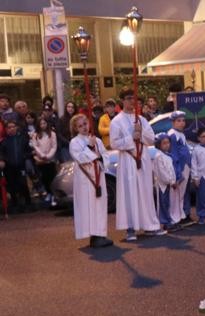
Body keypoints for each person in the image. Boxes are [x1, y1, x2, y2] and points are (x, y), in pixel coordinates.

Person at [110, 89, 162, 241]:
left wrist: (141, 133)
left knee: (145, 192)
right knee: (129, 192)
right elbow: (114, 143)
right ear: (122, 101)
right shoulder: (116, 121)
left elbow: (151, 139)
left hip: (143, 158)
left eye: (134, 98)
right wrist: (131, 137)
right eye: (128, 98)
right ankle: (130, 227)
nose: (131, 101)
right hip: (128, 159)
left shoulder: (142, 119)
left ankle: (150, 225)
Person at [68, 114, 113, 248]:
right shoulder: (75, 142)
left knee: (99, 204)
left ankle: (100, 233)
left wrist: (99, 157)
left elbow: (105, 156)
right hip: (85, 178)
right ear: (76, 128)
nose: (84, 128)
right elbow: (80, 157)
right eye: (80, 126)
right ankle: (94, 234)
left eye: (85, 124)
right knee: (89, 205)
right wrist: (89, 148)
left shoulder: (97, 140)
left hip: (98, 175)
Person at [165, 111, 193, 226]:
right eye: (178, 121)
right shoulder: (172, 135)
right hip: (180, 167)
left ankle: (183, 215)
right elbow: (174, 155)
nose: (182, 123)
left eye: (183, 120)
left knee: (183, 193)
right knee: (177, 195)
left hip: (185, 166)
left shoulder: (181, 134)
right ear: (173, 122)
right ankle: (175, 218)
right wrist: (177, 172)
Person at [1, 121, 32, 213]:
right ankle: (15, 204)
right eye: (9, 127)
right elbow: (2, 153)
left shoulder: (23, 139)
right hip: (9, 167)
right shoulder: (4, 141)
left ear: (16, 127)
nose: (11, 129)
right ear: (6, 129)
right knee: (11, 185)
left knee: (23, 184)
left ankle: (28, 203)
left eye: (13, 127)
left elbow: (28, 151)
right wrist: (3, 160)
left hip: (21, 165)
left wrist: (24, 157)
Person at [30, 116, 58, 207]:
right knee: (44, 177)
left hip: (51, 159)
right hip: (41, 159)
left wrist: (49, 155)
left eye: (44, 123)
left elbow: (54, 146)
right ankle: (48, 193)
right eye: (41, 124)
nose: (43, 125)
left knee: (52, 177)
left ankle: (54, 194)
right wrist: (42, 155)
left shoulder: (52, 134)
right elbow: (35, 146)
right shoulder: (35, 135)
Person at [153, 134, 178, 231]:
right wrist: (170, 181)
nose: (167, 145)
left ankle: (169, 220)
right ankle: (165, 223)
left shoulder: (167, 155)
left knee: (168, 203)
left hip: (169, 185)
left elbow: (170, 170)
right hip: (162, 185)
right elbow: (162, 173)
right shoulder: (159, 156)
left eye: (168, 143)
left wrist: (173, 181)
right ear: (159, 145)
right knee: (163, 203)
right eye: (164, 143)